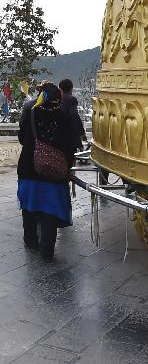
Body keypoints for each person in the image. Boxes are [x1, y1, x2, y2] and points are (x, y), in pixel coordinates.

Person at [17, 83, 78, 263]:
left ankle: (30, 240)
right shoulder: (64, 116)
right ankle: (47, 250)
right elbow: (70, 145)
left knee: (28, 205)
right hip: (54, 172)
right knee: (50, 210)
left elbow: (22, 138)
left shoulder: (31, 112)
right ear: (59, 98)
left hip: (29, 167)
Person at [58, 78, 87, 152]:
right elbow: (75, 117)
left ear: (60, 89)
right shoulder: (71, 100)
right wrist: (82, 133)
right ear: (71, 89)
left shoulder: (56, 99)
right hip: (69, 136)